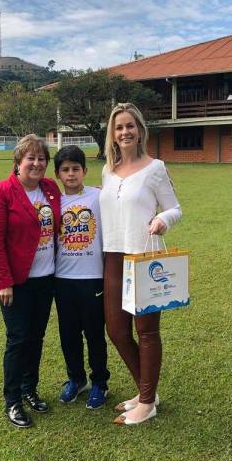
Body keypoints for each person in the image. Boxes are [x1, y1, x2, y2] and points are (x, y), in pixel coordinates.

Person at [99, 103, 182, 426]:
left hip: (144, 256)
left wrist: (162, 220)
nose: (125, 132)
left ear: (140, 130)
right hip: (113, 256)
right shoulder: (108, 171)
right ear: (112, 134)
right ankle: (147, 390)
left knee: (146, 331)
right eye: (119, 127)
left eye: (130, 126)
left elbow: (175, 208)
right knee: (116, 331)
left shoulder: (155, 168)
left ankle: (147, 402)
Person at [0, 134, 61, 428]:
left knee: (36, 337)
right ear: (18, 162)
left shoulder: (49, 189)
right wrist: (2, 281)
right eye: (31, 158)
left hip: (46, 278)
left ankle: (30, 389)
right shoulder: (0, 192)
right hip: (15, 282)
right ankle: (13, 400)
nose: (37, 163)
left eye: (42, 159)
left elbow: (73, 199)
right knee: (18, 339)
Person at [53, 145, 109, 409]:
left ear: (85, 171)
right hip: (63, 278)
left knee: (95, 333)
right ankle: (76, 379)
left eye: (76, 168)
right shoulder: (53, 203)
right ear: (58, 174)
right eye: (65, 169)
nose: (71, 174)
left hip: (93, 277)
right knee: (69, 334)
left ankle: (100, 382)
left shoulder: (98, 197)